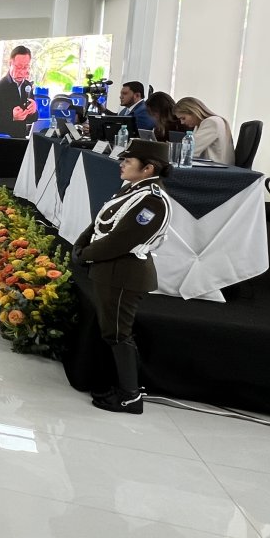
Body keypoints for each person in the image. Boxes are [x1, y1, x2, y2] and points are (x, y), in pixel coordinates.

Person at [72, 140, 172, 415]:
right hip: (110, 270)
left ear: (148, 168)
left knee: (118, 333)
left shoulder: (152, 201)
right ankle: (121, 386)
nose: (122, 163)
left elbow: (121, 241)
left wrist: (85, 255)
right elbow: (101, 222)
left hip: (123, 273)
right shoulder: (133, 189)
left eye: (129, 161)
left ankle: (130, 395)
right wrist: (81, 244)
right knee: (112, 330)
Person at [0, 45, 36, 138]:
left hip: (21, 138)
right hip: (3, 139)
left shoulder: (27, 86)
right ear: (10, 64)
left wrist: (33, 111)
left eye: (25, 67)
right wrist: (12, 116)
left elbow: (32, 118)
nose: (21, 71)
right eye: (18, 67)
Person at [173, 96, 236, 165]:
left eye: (183, 118)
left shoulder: (211, 122)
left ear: (194, 112)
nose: (182, 122)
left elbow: (191, 152)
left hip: (218, 169)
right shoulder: (200, 125)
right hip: (212, 166)